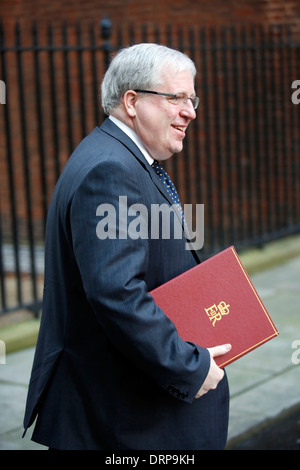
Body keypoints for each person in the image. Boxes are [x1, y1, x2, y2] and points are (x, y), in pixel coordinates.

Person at [23, 43, 231, 450]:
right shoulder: (111, 170)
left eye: (193, 99)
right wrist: (189, 366)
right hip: (125, 421)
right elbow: (116, 292)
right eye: (178, 98)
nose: (190, 111)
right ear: (132, 101)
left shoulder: (119, 158)